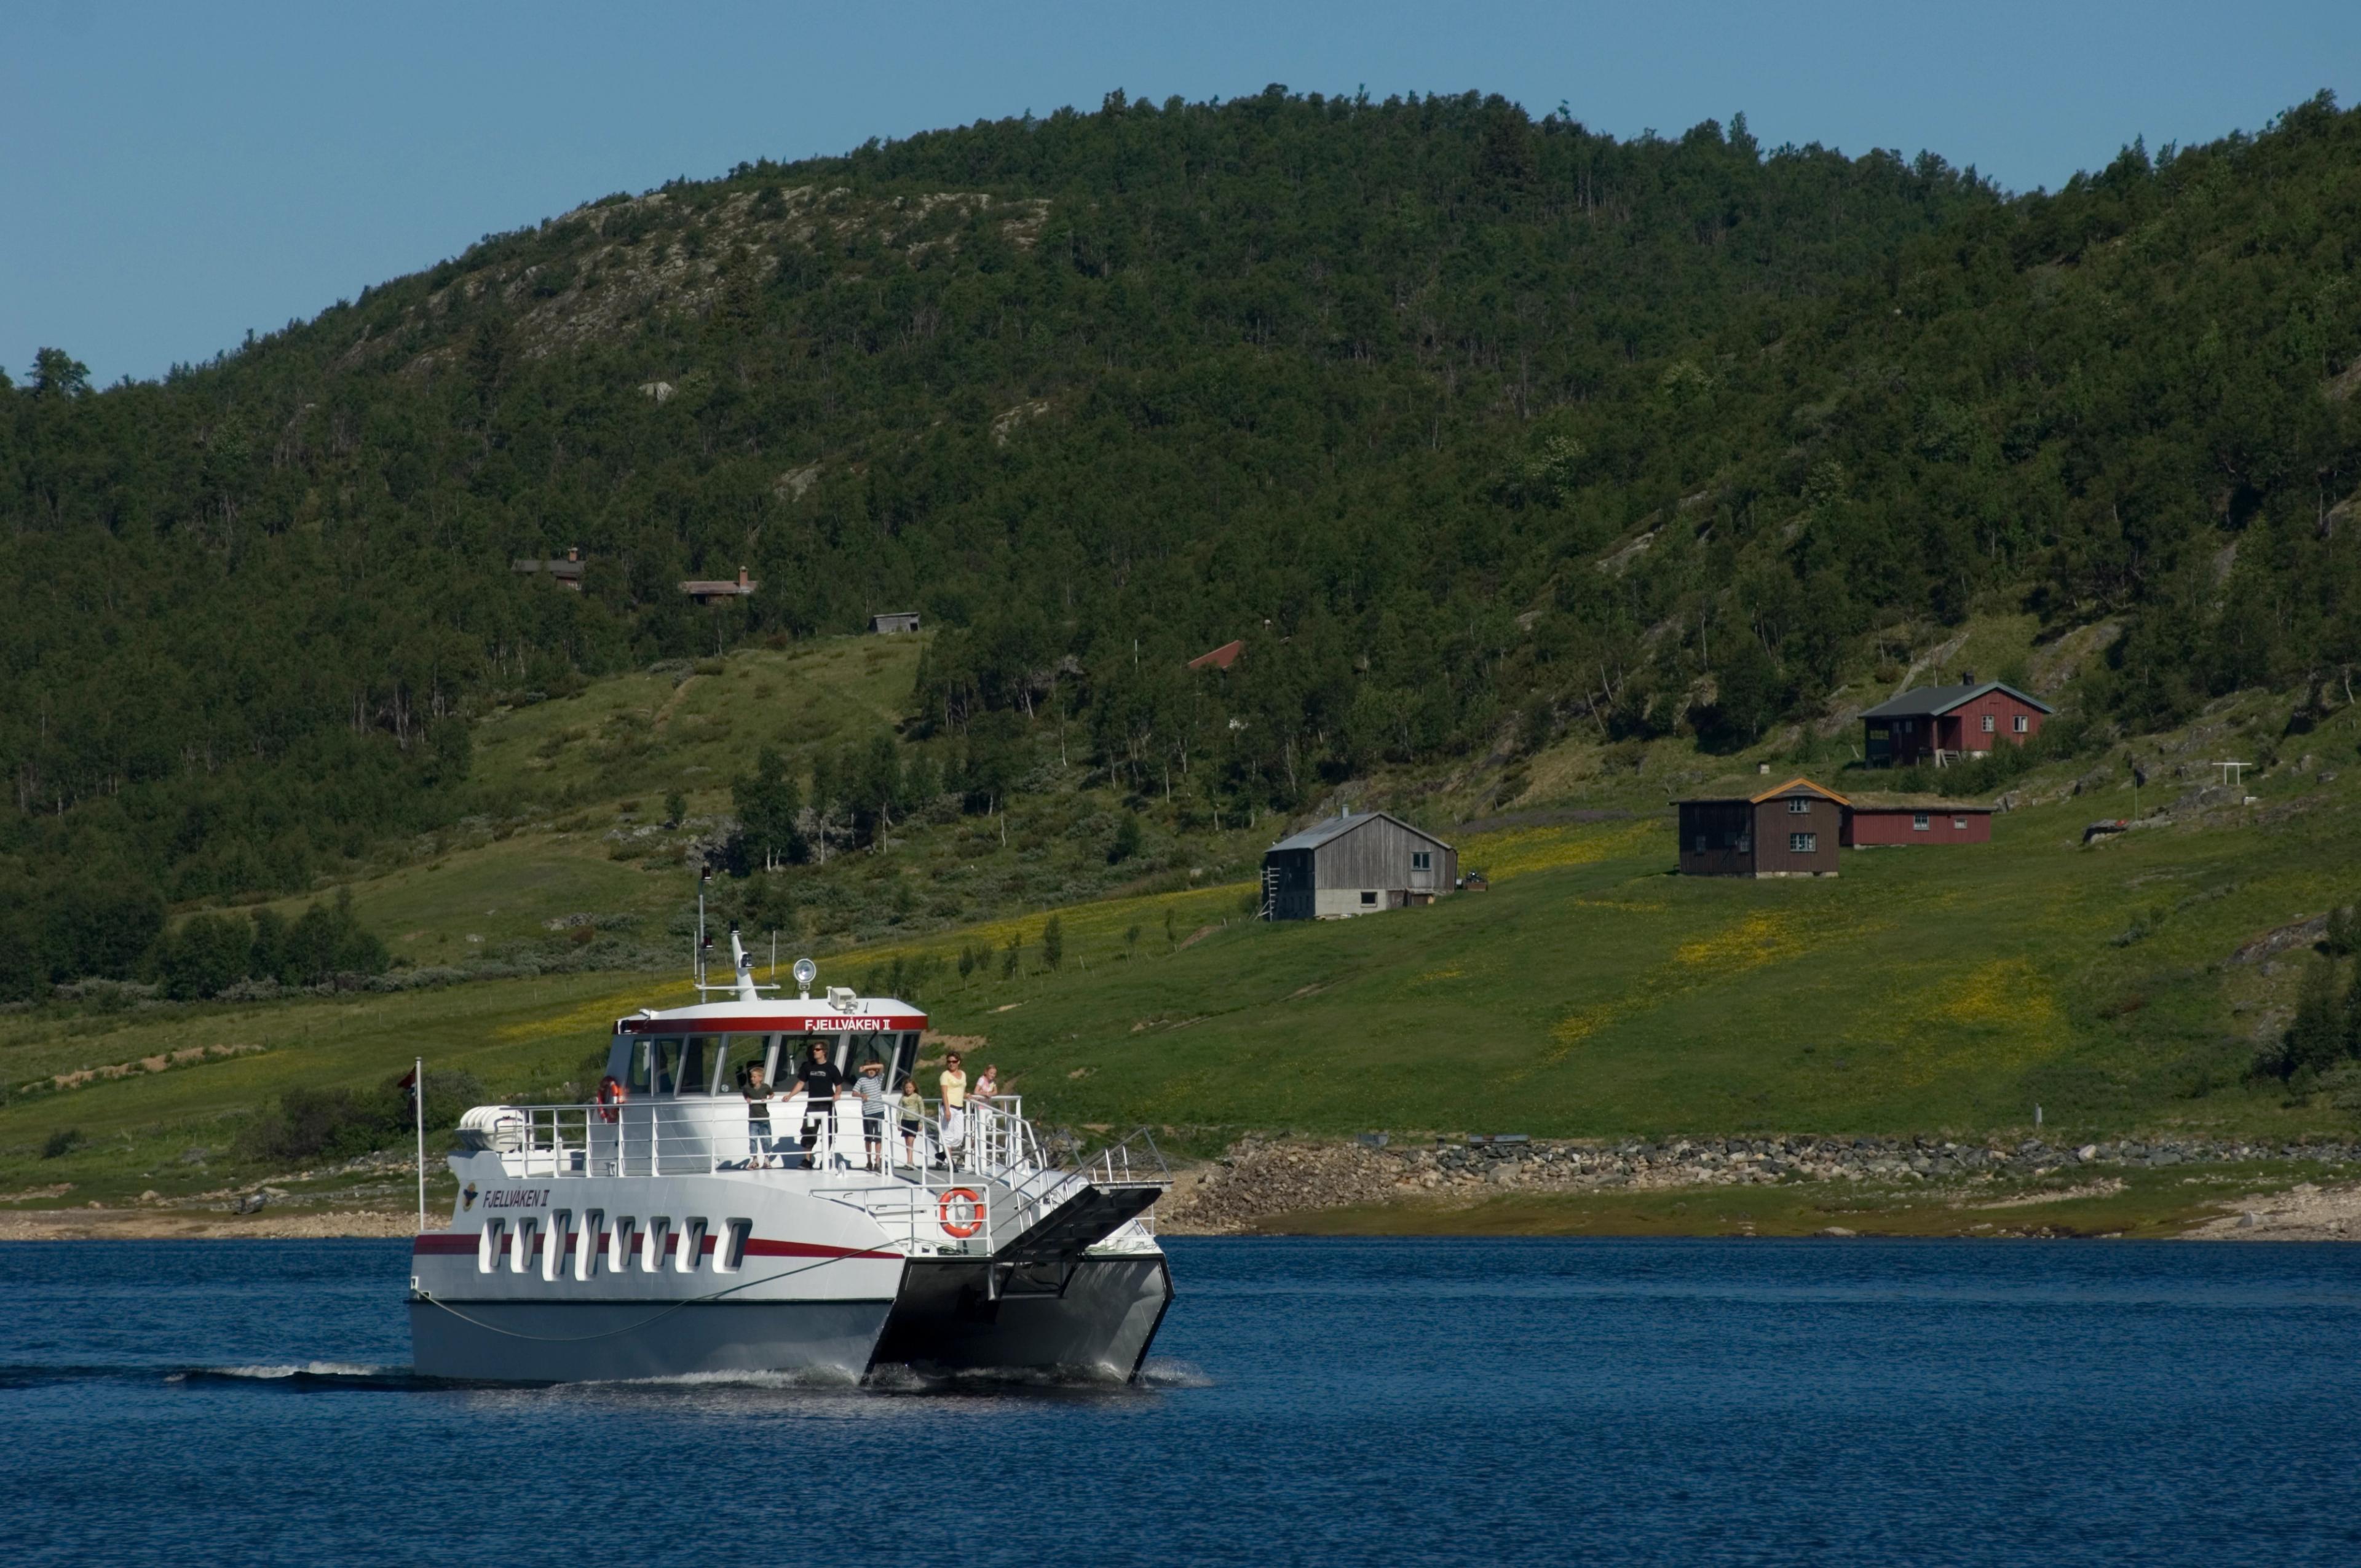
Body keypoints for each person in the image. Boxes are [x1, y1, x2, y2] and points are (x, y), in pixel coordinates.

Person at [795, 1040, 845, 1167]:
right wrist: (790, 1095)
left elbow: (839, 1086)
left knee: (829, 1133)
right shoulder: (808, 1066)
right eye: (814, 1049)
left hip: (827, 1106)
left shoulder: (831, 1068)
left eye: (817, 1050)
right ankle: (807, 1161)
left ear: (824, 1052)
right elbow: (801, 1083)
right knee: (808, 1133)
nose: (815, 1051)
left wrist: (837, 1094)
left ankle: (825, 1160)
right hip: (812, 1106)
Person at [852, 1059, 890, 1171]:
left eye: (873, 1069)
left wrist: (866, 1067)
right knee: (868, 1138)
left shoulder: (878, 1079)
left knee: (878, 1137)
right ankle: (869, 1161)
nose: (871, 1071)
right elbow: (854, 1093)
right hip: (868, 1113)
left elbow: (882, 1066)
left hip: (879, 1112)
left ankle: (877, 1161)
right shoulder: (862, 1080)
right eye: (869, 1070)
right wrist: (862, 1095)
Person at [740, 1059, 777, 1168]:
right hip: (753, 1119)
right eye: (751, 1077)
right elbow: (745, 1094)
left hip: (764, 1118)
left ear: (760, 1078)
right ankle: (755, 1160)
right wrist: (747, 1099)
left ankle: (767, 1159)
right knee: (753, 1139)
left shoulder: (766, 1087)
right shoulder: (747, 1088)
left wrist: (769, 1098)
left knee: (766, 1139)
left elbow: (772, 1094)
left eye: (754, 1077)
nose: (752, 1079)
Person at [938, 1052, 968, 1168]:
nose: (951, 1064)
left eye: (954, 1062)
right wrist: (947, 1110)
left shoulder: (963, 1074)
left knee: (959, 1138)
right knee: (948, 1136)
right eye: (949, 1062)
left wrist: (967, 1095)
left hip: (959, 1108)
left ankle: (942, 1155)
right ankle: (951, 1164)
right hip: (949, 1107)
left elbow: (960, 1090)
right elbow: (944, 1093)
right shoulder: (945, 1075)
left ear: (958, 1062)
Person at [897, 1076, 925, 1166]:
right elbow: (899, 1111)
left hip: (914, 1122)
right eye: (907, 1088)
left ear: (914, 1088)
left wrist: (921, 1123)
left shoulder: (918, 1098)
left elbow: (922, 1111)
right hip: (905, 1121)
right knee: (907, 1143)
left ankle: (909, 1162)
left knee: (910, 1141)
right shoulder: (903, 1098)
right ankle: (910, 1161)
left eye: (910, 1087)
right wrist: (898, 1123)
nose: (908, 1089)